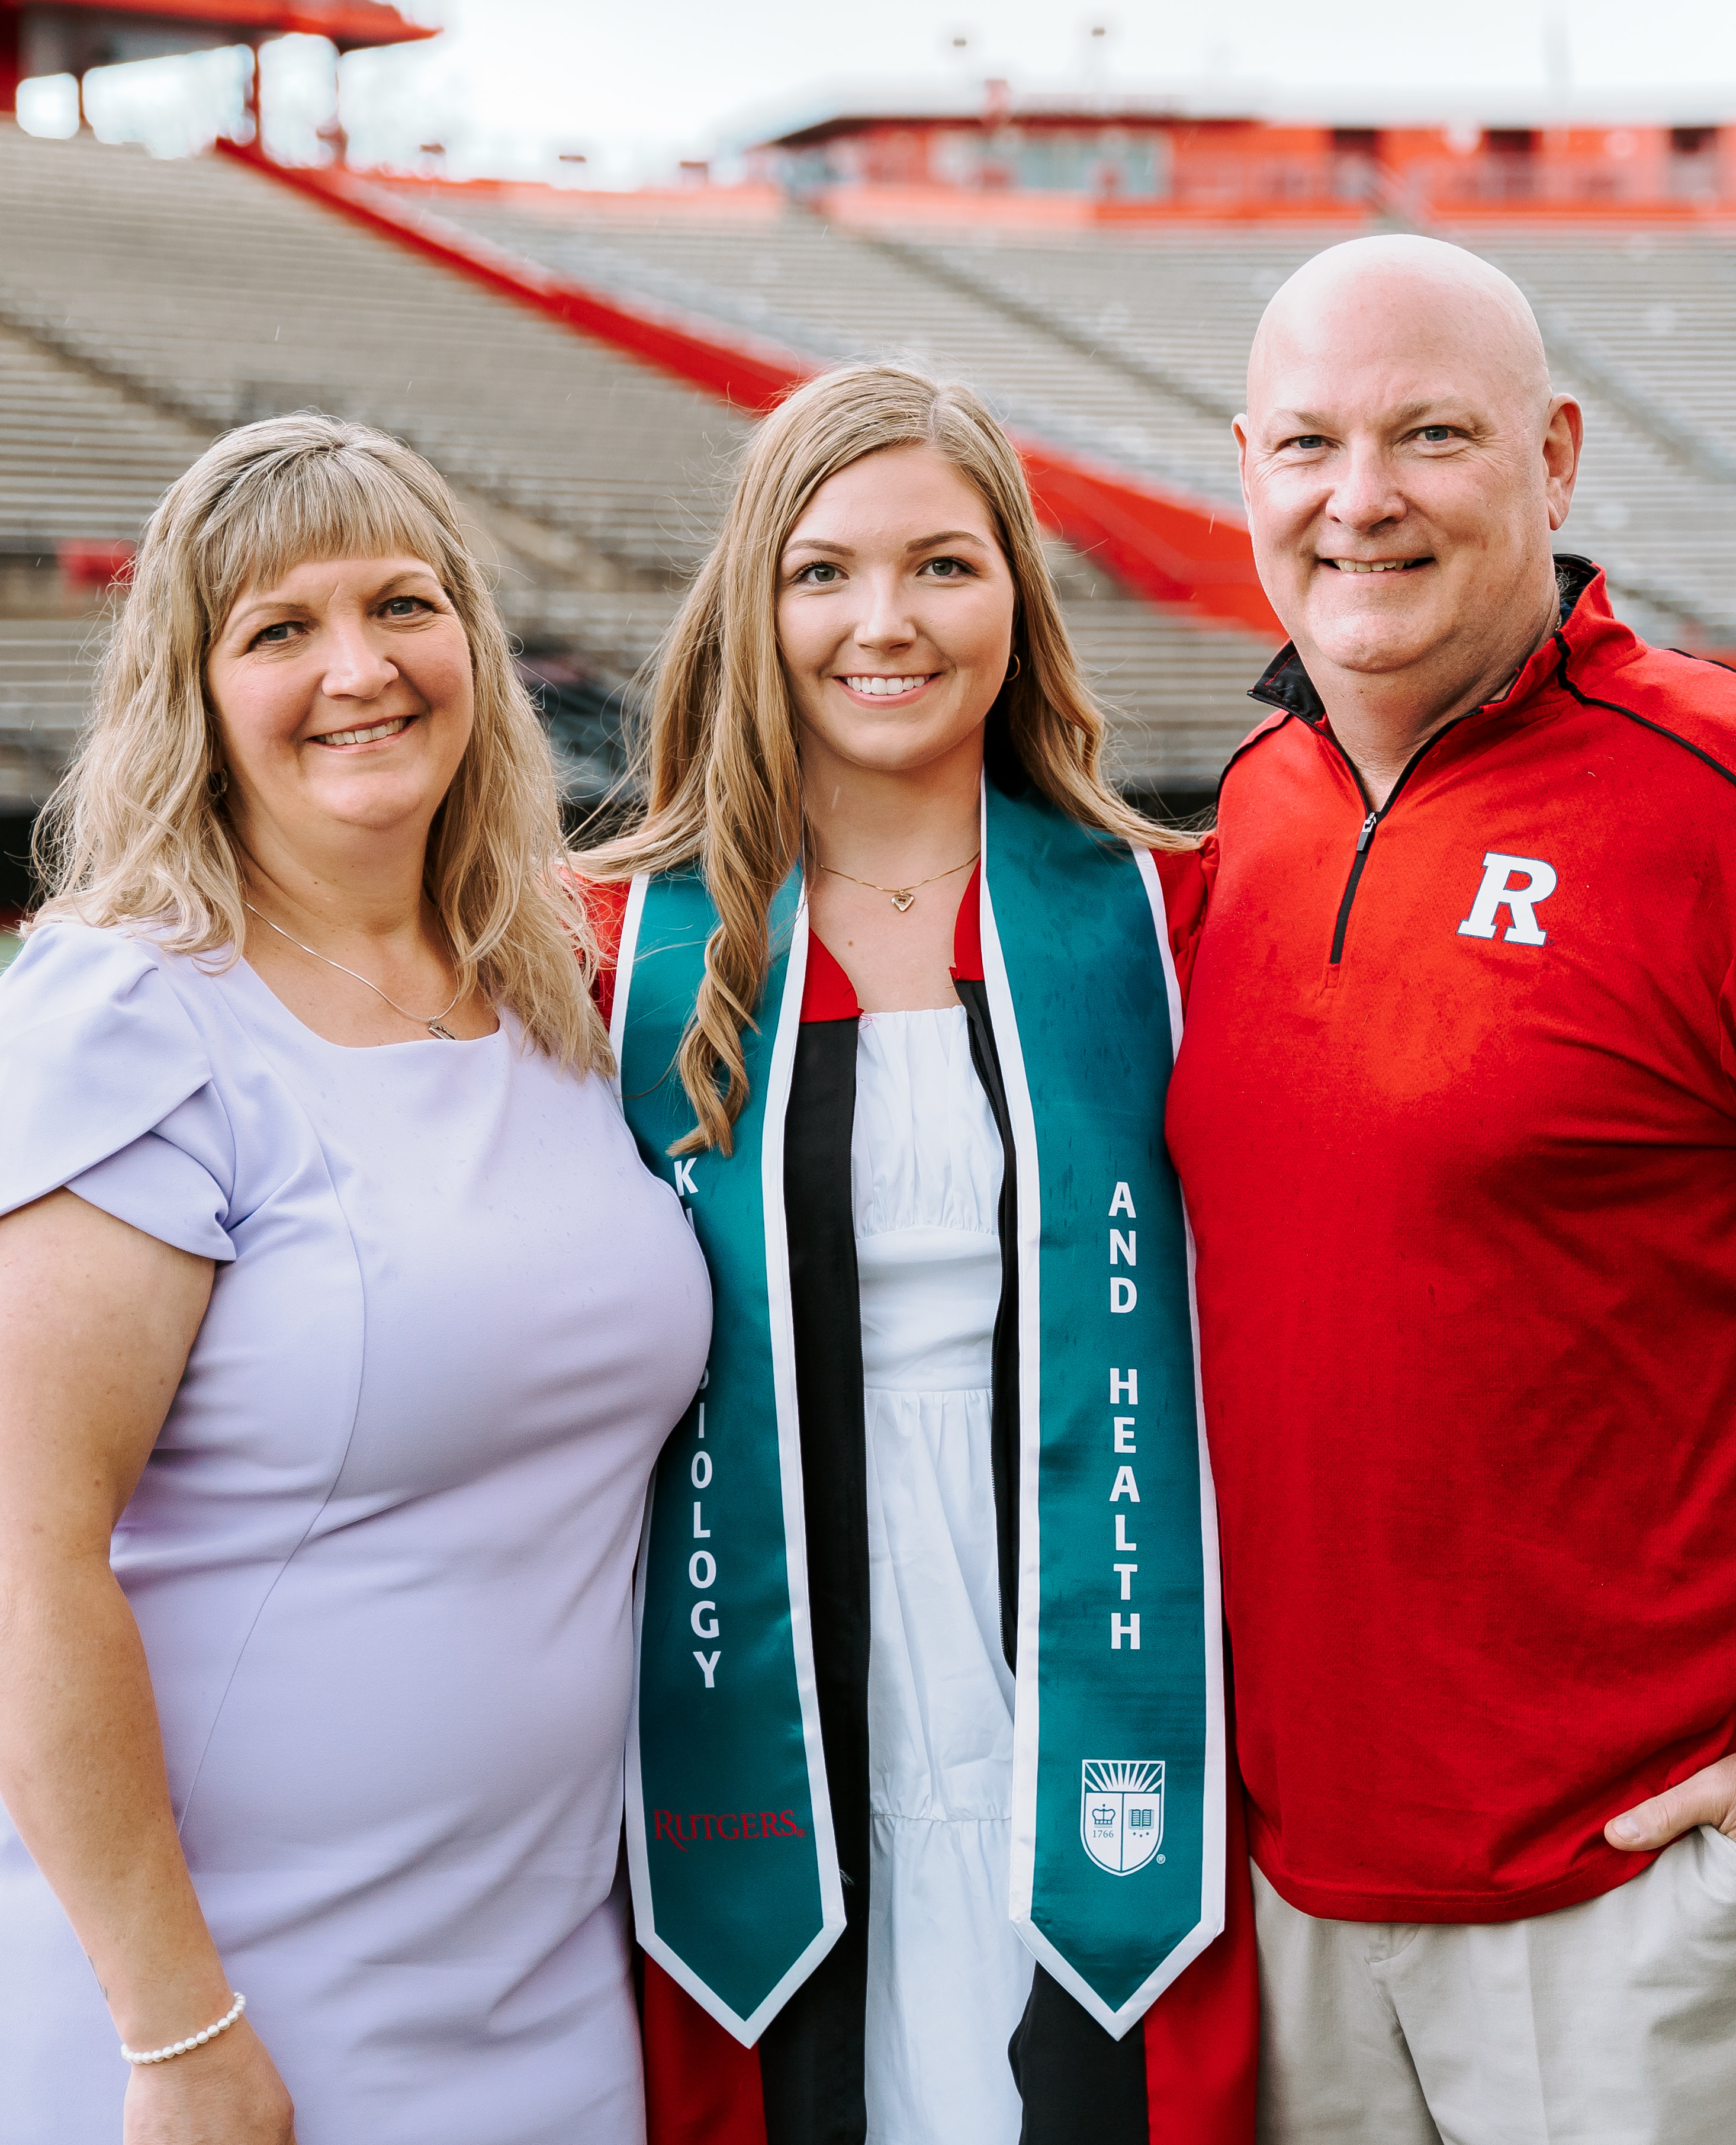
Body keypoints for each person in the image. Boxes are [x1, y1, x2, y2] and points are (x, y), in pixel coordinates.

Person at [1165, 236, 1736, 2144]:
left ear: (1558, 455)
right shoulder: (1253, 805)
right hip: (1279, 1899)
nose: (1365, 500)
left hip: (1637, 1904)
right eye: (1313, 446)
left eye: (1434, 434)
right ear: (1244, 465)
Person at [0, 416, 711, 2145]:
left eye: (403, 607)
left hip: (519, 1948)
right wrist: (174, 2028)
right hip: (172, 1965)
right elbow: (5, 1550)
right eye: (278, 630)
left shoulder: (546, 985)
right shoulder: (122, 1015)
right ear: (194, 692)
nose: (358, 670)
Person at [586, 364, 1256, 2145]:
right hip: (751, 1691)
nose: (883, 622)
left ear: (1017, 601)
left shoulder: (1167, 920)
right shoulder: (613, 953)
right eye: (823, 573)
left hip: (1101, 1660)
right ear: (754, 601)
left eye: (942, 567)